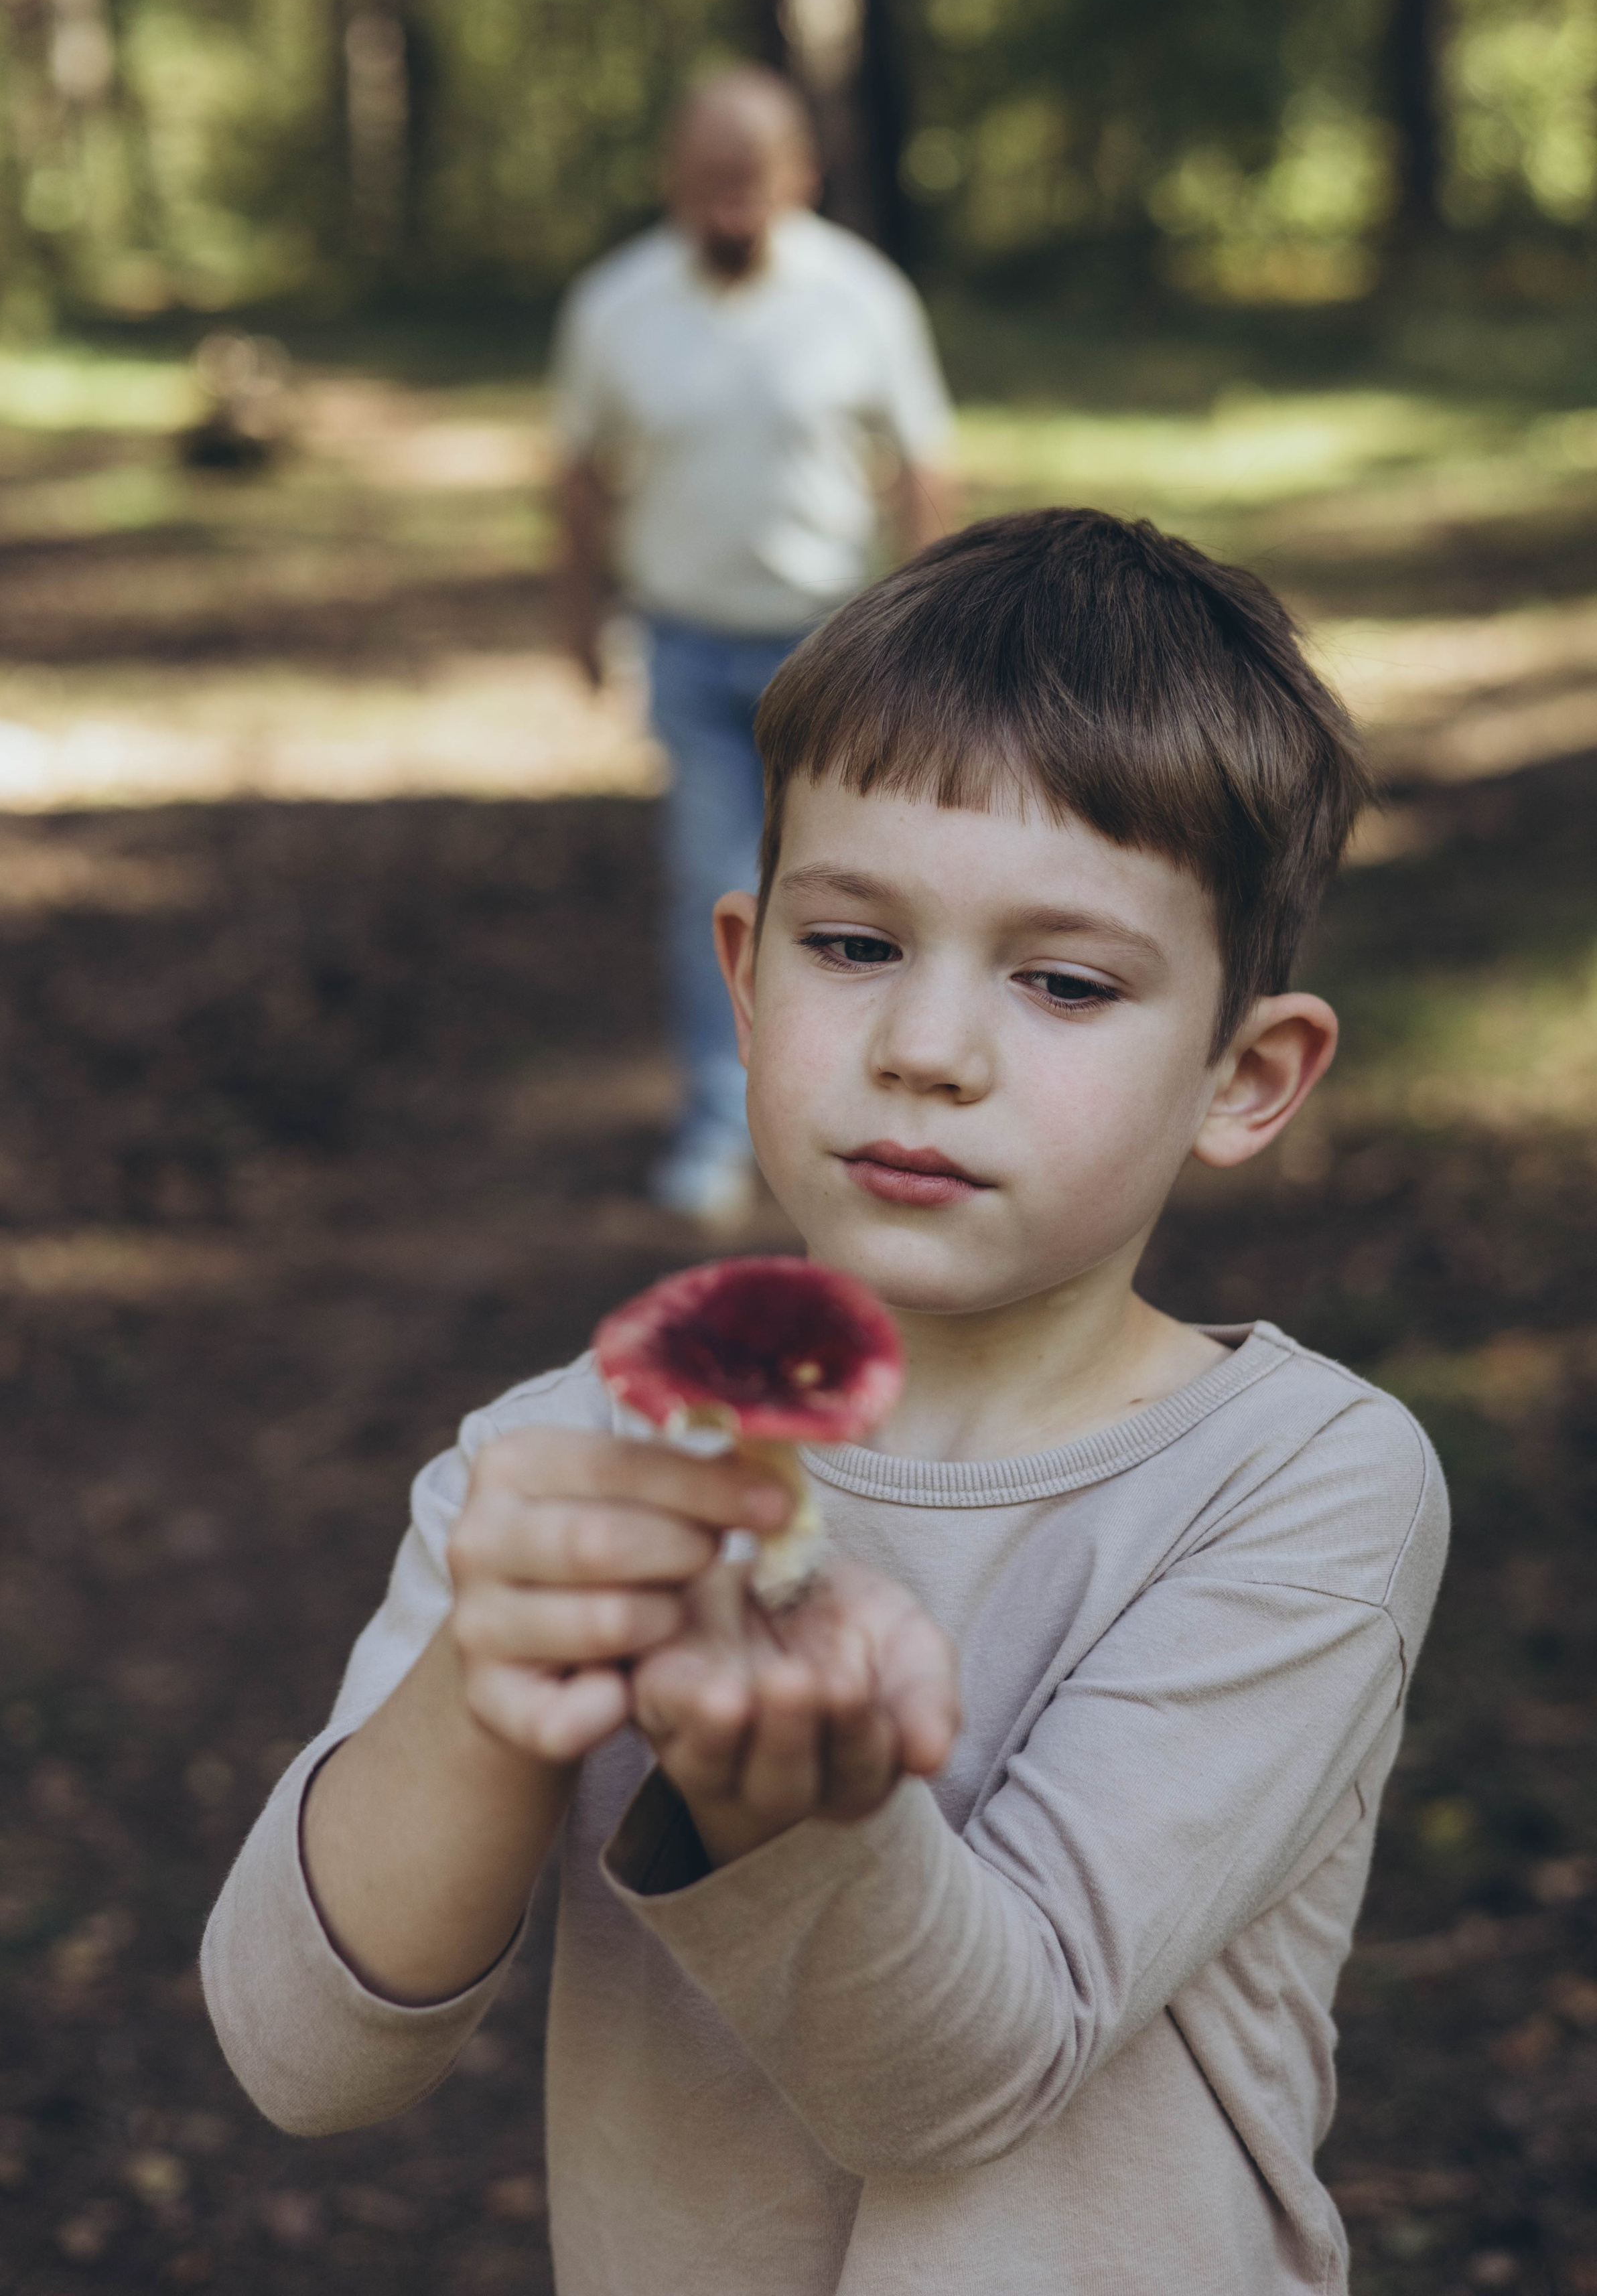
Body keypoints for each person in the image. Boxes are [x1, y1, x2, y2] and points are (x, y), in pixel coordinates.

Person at [204, 509, 1449, 2296]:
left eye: (1066, 981)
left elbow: (961, 2085)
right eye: (855, 946)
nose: (926, 1048)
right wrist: (492, 1683)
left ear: (1246, 1076)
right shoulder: (567, 1465)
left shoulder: (1303, 1486)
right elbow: (306, 2057)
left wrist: (789, 1801)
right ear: (744, 971)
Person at [553, 63, 957, 1220]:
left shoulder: (862, 297)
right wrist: (575, 619)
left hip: (832, 654)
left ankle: (859, 1123)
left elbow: (922, 464)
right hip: (684, 647)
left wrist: (929, 627)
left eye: (752, 176)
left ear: (800, 176)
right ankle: (718, 1132)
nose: (730, 201)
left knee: (852, 901)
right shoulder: (613, 305)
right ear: (673, 179)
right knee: (712, 890)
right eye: (708, 178)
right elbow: (579, 477)